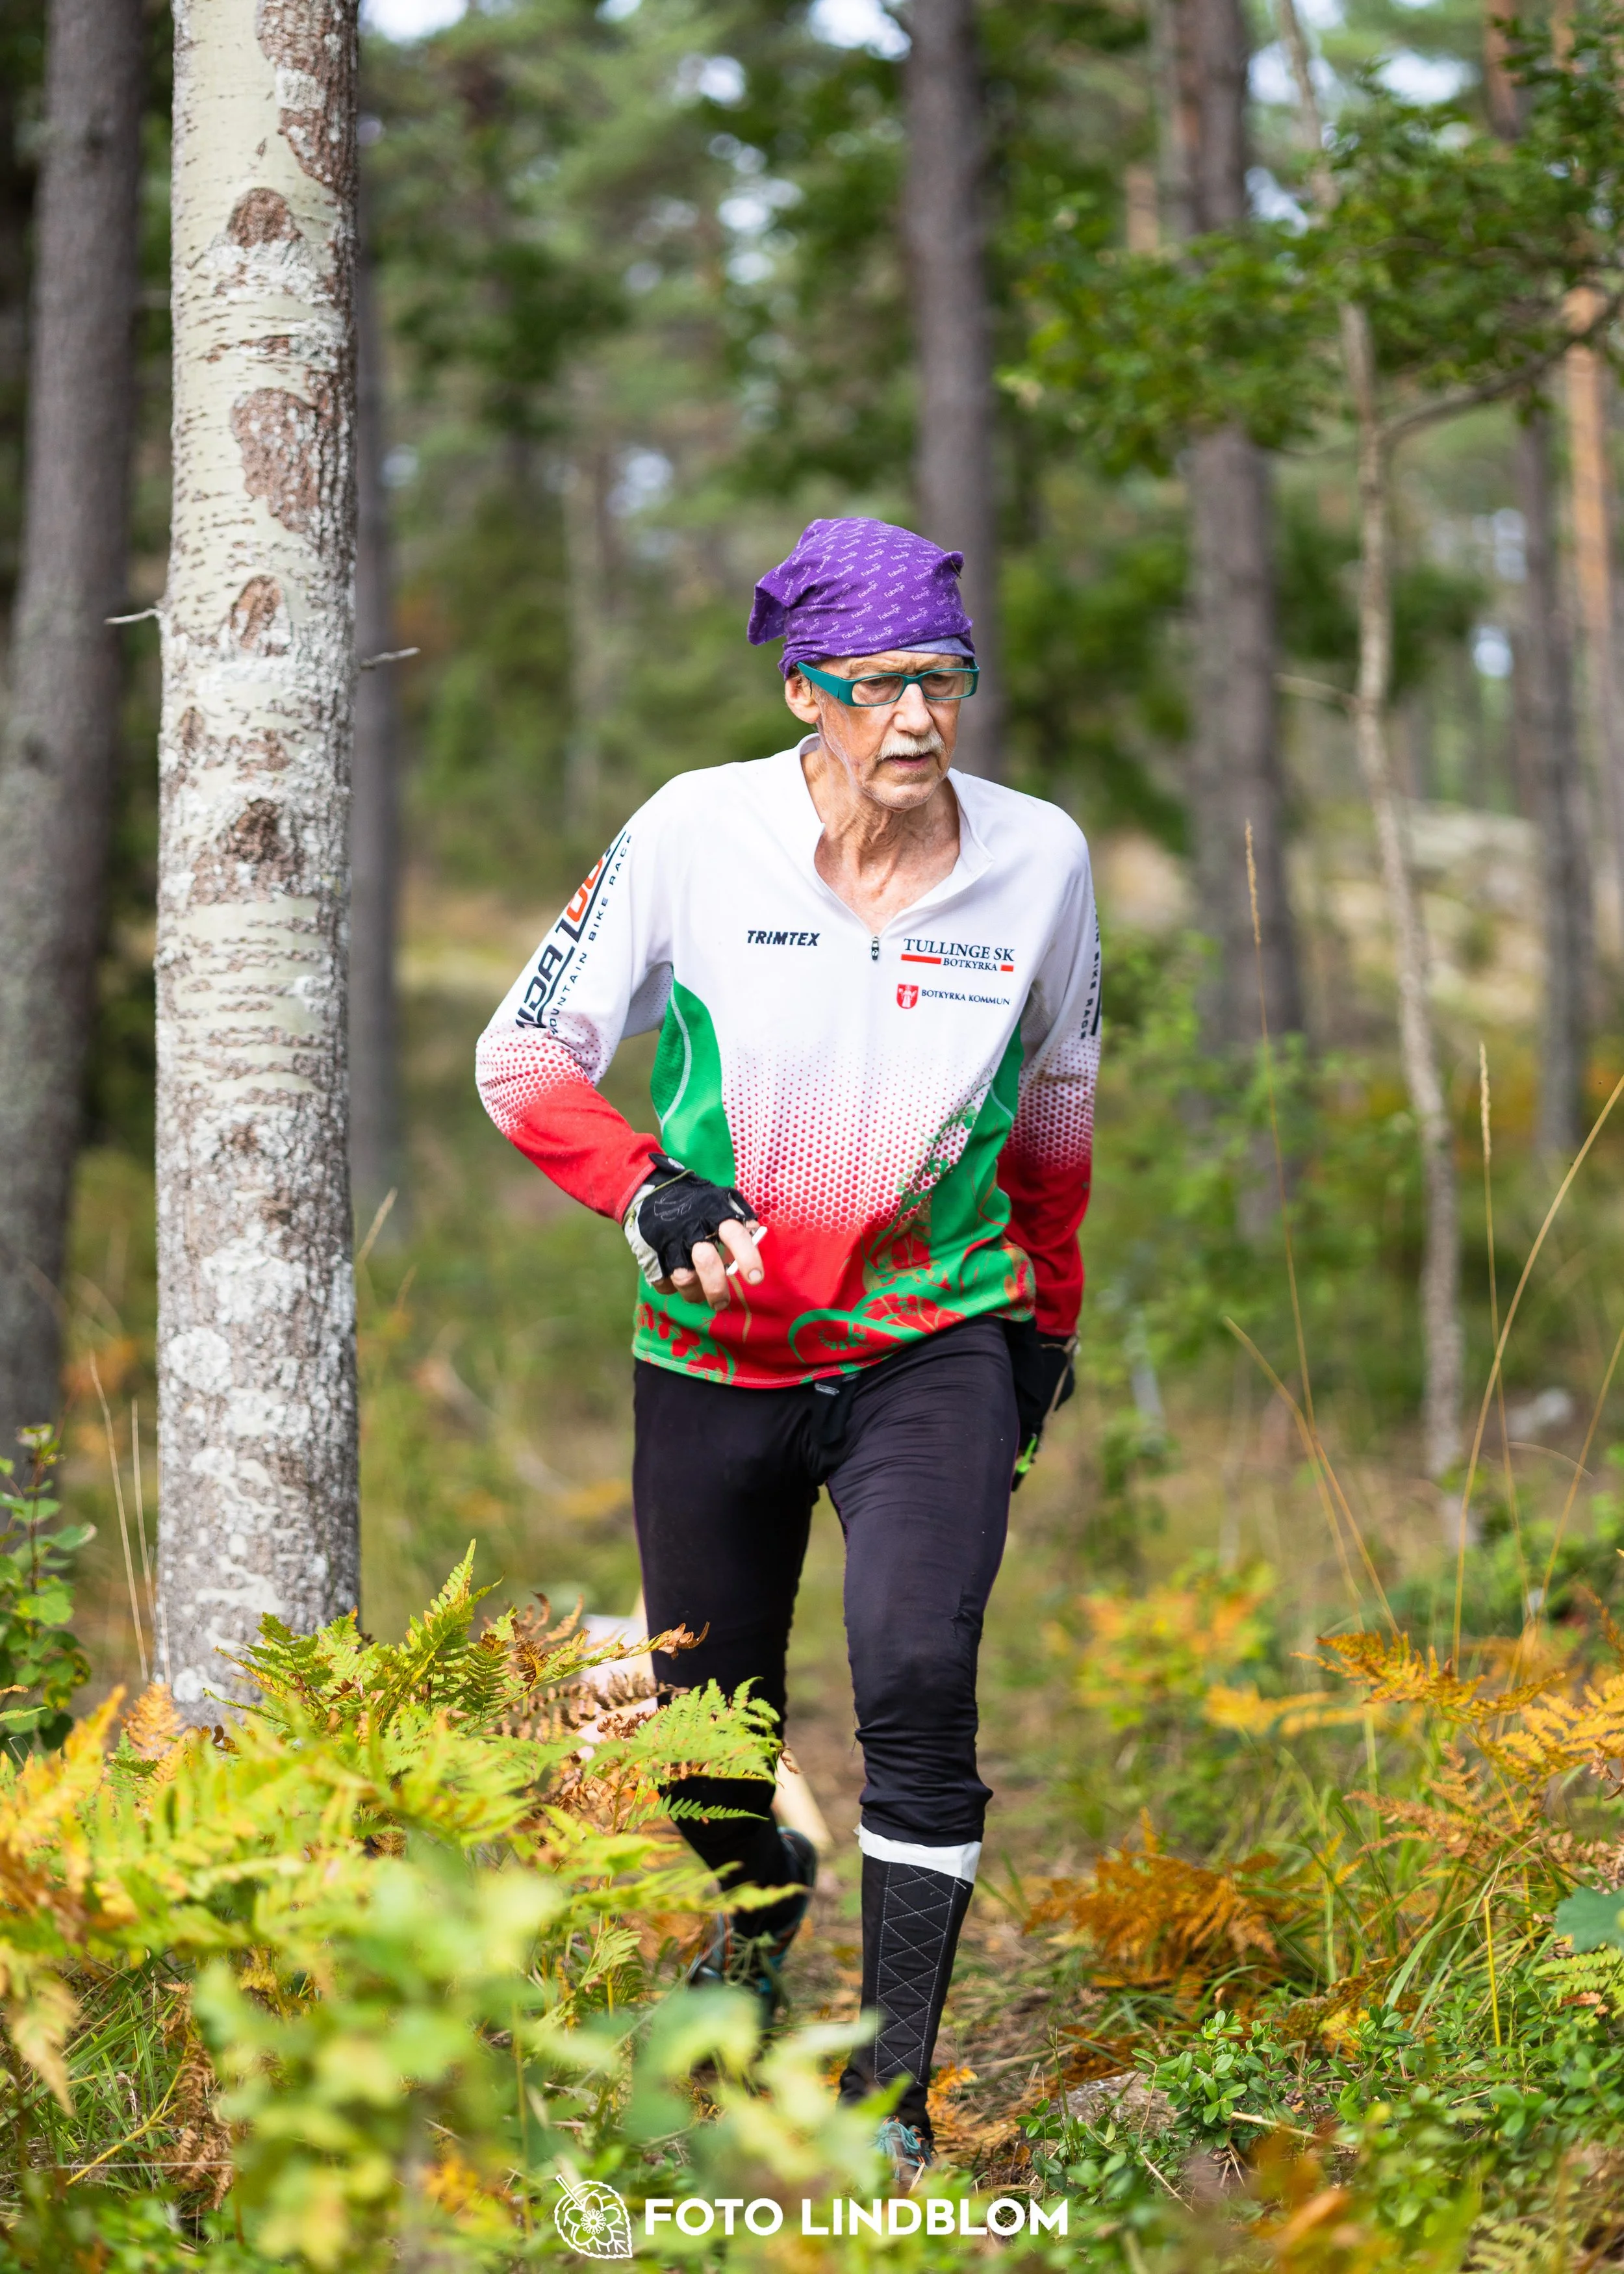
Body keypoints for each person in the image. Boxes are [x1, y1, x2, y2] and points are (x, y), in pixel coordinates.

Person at [476, 515, 1100, 2180]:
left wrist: (1044, 1317)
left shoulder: (1037, 860)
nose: (915, 719)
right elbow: (524, 1058)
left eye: (943, 682)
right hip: (714, 1349)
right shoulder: (693, 833)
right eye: (878, 685)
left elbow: (1055, 1116)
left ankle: (890, 2096)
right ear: (803, 691)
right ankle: (757, 1902)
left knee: (913, 1681)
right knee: (707, 1735)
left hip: (931, 1338)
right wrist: (649, 1187)